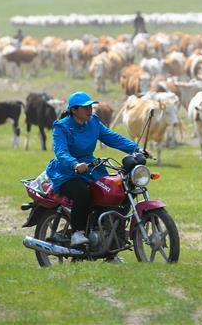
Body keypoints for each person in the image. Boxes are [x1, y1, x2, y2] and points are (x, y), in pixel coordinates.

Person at [45, 91, 149, 249]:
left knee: (118, 192)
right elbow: (61, 152)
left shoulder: (93, 122)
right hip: (66, 172)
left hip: (91, 169)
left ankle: (111, 242)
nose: (90, 110)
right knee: (83, 193)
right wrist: (74, 164)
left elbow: (112, 137)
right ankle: (77, 233)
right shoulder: (62, 126)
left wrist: (136, 148)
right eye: (85, 107)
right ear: (74, 110)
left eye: (90, 106)